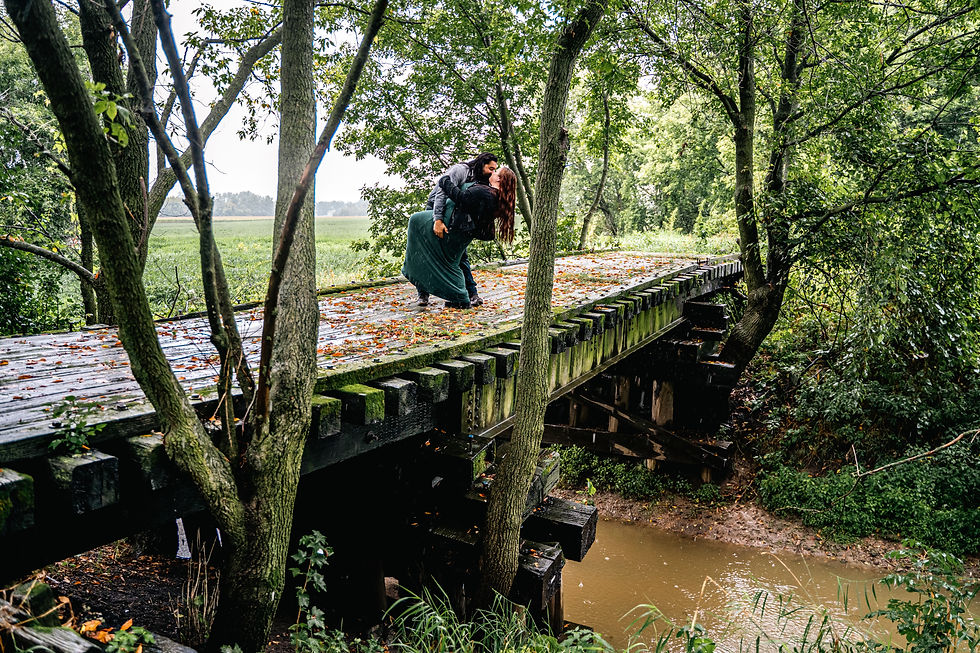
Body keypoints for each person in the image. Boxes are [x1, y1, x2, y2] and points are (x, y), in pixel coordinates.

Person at [402, 167, 516, 308]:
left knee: (415, 220)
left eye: (496, 172)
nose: (492, 173)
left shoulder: (485, 192)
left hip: (454, 229)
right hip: (463, 233)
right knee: (454, 262)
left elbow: (461, 198)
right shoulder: (497, 197)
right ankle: (458, 296)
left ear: (499, 179)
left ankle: (459, 297)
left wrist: (445, 181)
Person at [420, 153, 499, 306]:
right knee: (428, 250)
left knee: (460, 254)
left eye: (494, 170)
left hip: (455, 216)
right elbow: (441, 192)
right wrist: (438, 219)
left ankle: (472, 293)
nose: (492, 172)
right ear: (481, 164)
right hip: (436, 209)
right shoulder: (460, 170)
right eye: (490, 168)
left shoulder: (480, 180)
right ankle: (423, 294)